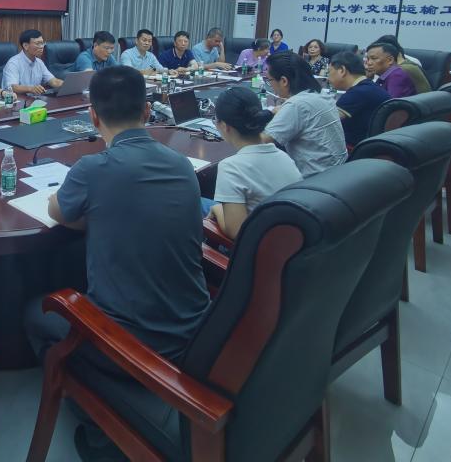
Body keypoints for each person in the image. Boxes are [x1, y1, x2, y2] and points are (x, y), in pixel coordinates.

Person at [25, 66, 210, 364]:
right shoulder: (182, 164)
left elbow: (56, 211)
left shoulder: (92, 169)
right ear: (147, 111)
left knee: (36, 311)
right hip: (197, 330)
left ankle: (77, 380)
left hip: (133, 346)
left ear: (93, 116)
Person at [208, 87, 301, 240]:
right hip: (289, 241)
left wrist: (218, 209)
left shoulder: (231, 167)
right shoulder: (284, 157)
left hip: (258, 248)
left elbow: (236, 231)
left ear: (224, 126)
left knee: (197, 203)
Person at [262, 52, 347, 177]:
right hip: (338, 173)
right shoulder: (321, 94)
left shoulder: (296, 105)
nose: (270, 85)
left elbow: (261, 142)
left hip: (314, 179)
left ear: (284, 81)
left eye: (269, 80)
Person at [328, 51, 391, 148]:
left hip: (355, 149)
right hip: (375, 146)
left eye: (329, 72)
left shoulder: (357, 93)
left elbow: (325, 122)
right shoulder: (369, 87)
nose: (328, 78)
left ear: (342, 70)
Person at [1, 29, 63, 95]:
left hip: (34, 99)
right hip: (16, 100)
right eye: (37, 43)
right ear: (25, 46)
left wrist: (67, 85)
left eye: (42, 43)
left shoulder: (39, 63)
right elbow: (12, 87)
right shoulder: (13, 63)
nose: (41, 47)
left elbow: (53, 81)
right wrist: (31, 89)